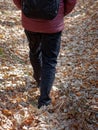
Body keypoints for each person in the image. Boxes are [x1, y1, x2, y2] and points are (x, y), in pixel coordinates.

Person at [13, 0, 76, 108]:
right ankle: (44, 101)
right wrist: (60, 12)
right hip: (53, 23)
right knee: (50, 60)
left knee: (34, 51)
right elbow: (71, 1)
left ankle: (39, 79)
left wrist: (24, 8)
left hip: (30, 20)